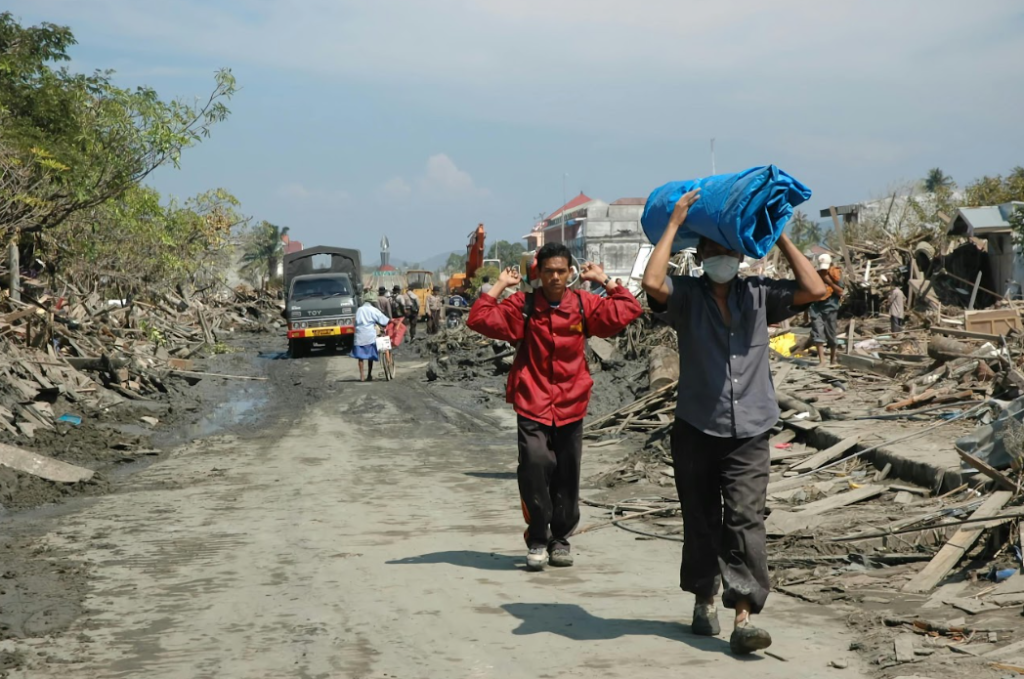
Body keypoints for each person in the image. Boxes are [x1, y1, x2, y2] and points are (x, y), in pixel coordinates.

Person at [641, 190, 826, 655]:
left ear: (742, 256)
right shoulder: (686, 297)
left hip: (751, 430)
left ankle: (744, 613)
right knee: (701, 519)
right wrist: (675, 221)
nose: (722, 258)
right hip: (697, 427)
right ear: (700, 256)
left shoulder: (760, 296)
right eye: (713, 251)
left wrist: (776, 233)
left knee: (746, 520)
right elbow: (653, 282)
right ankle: (705, 597)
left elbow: (816, 290)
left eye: (729, 251)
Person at [468, 243, 642, 571]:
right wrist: (501, 286)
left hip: (571, 402)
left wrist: (605, 280)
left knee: (567, 473)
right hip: (532, 401)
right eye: (549, 271)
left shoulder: (583, 305)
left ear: (571, 273)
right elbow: (479, 318)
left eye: (562, 271)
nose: (556, 277)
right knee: (534, 465)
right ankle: (537, 536)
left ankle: (560, 538)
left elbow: (627, 310)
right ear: (539, 273)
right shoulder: (524, 305)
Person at [809, 253, 844, 366]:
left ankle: (833, 359)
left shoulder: (835, 275)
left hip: (830, 306)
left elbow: (840, 291)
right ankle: (822, 361)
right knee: (817, 333)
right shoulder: (814, 275)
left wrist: (828, 281)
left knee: (831, 333)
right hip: (815, 306)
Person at [353, 292, 391, 382]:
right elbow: (383, 320)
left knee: (360, 357)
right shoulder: (373, 310)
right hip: (369, 335)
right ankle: (369, 375)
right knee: (370, 356)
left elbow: (355, 321)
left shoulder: (359, 310)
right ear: (373, 302)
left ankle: (362, 376)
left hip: (359, 335)